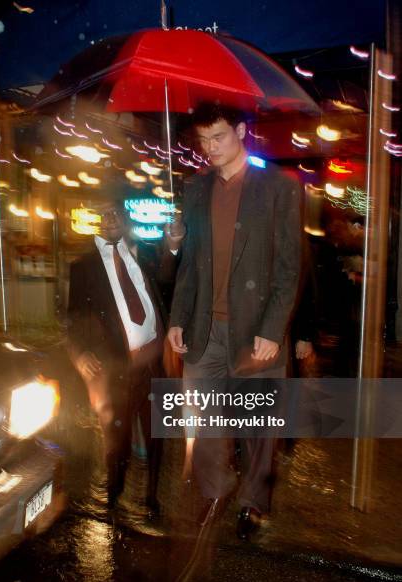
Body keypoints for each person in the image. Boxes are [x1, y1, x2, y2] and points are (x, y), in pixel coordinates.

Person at [167, 102, 301, 539]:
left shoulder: (279, 187)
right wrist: (177, 318)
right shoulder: (195, 189)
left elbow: (288, 267)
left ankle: (252, 503)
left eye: (218, 137)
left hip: (255, 330)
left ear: (241, 131)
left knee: (258, 429)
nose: (209, 148)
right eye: (203, 141)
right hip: (205, 330)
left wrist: (273, 329)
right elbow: (189, 264)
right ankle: (216, 490)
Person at [67, 198, 184, 513]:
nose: (110, 219)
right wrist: (80, 354)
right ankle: (114, 496)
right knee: (117, 438)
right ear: (97, 222)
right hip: (117, 366)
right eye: (104, 214)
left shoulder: (142, 255)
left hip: (153, 363)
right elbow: (74, 319)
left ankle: (151, 498)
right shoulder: (83, 267)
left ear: (126, 220)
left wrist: (173, 247)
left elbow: (167, 279)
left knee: (156, 434)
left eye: (116, 213)